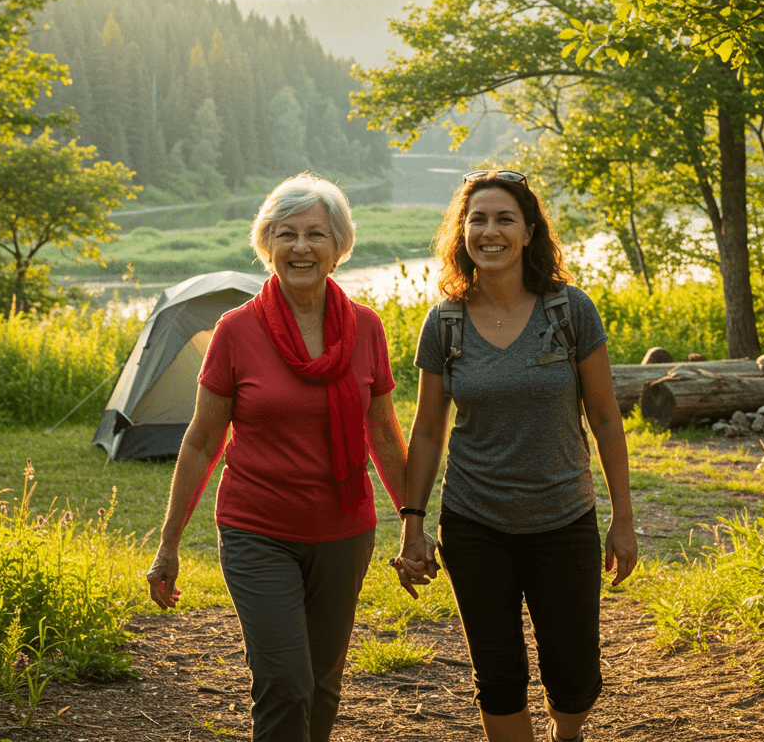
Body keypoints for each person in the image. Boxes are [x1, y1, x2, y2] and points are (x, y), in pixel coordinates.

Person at [145, 173, 427, 742]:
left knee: (323, 682)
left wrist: (412, 524)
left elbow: (384, 433)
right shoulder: (235, 330)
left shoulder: (367, 328)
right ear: (266, 243)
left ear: (338, 245)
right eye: (286, 234)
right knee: (285, 680)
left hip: (344, 530)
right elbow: (202, 441)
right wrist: (169, 542)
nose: (301, 247)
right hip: (258, 529)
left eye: (316, 234)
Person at [396, 169, 638, 742]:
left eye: (504, 218)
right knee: (498, 676)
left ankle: (567, 734)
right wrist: (412, 522)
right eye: (476, 219)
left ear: (529, 231)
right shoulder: (445, 322)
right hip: (474, 523)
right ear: (462, 233)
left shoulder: (569, 312)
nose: (490, 231)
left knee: (575, 676)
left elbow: (605, 419)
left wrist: (623, 520)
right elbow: (428, 430)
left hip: (564, 519)